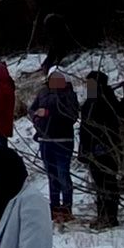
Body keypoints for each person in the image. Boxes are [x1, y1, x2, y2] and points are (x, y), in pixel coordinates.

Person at [80, 70, 124, 229]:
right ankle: (102, 215)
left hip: (105, 148)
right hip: (92, 148)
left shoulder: (106, 100)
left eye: (91, 83)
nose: (88, 86)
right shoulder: (91, 101)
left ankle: (110, 217)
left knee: (108, 183)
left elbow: (109, 124)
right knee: (99, 184)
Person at [29, 67, 80, 223]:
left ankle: (67, 207)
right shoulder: (43, 93)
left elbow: (72, 116)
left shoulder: (69, 95)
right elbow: (32, 110)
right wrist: (37, 119)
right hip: (45, 140)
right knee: (51, 176)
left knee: (63, 174)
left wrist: (50, 113)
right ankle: (54, 207)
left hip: (63, 140)